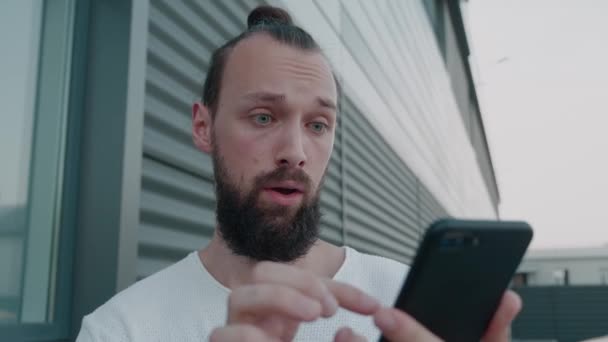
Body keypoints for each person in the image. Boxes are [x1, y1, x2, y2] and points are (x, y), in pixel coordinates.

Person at [76, 6, 521, 342]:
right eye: (264, 117)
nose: (295, 153)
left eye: (317, 125)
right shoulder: (120, 329)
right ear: (203, 126)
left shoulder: (405, 303)